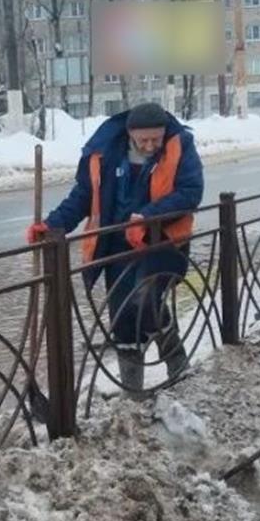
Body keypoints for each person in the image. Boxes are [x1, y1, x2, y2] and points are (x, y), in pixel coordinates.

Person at [27, 103, 204, 392]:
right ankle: (132, 392)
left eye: (155, 140)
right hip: (115, 246)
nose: (150, 146)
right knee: (122, 318)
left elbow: (190, 192)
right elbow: (83, 196)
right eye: (143, 140)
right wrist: (52, 225)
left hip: (162, 242)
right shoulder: (104, 153)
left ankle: (176, 360)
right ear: (129, 134)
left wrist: (148, 217)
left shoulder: (179, 145)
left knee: (146, 301)